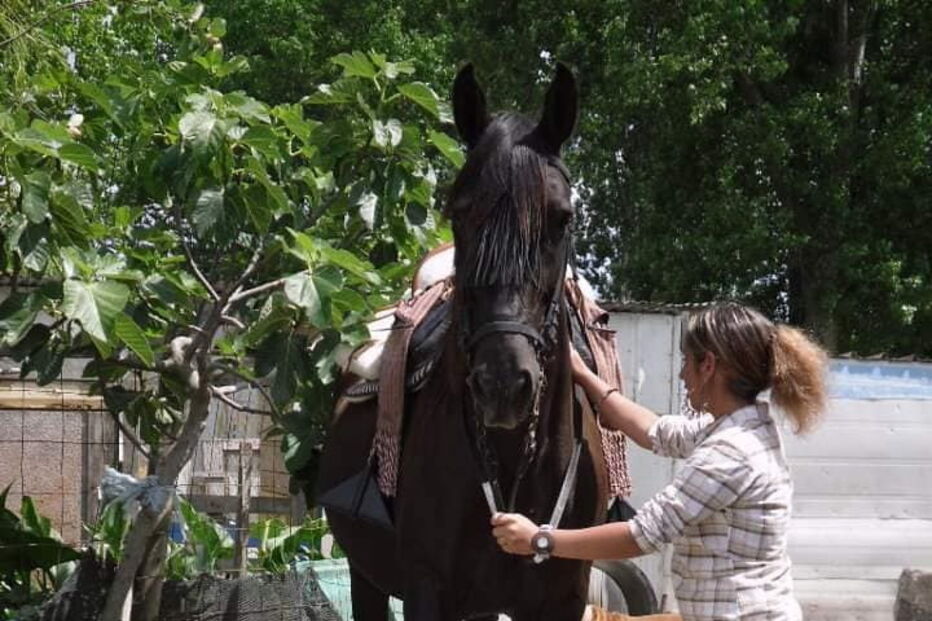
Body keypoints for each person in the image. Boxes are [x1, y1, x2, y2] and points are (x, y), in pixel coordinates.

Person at [491, 302, 829, 620]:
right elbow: (657, 431)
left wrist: (539, 540)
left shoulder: (730, 453)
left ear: (708, 365)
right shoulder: (743, 427)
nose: (682, 375)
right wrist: (585, 376)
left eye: (686, 362)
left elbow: (642, 535)